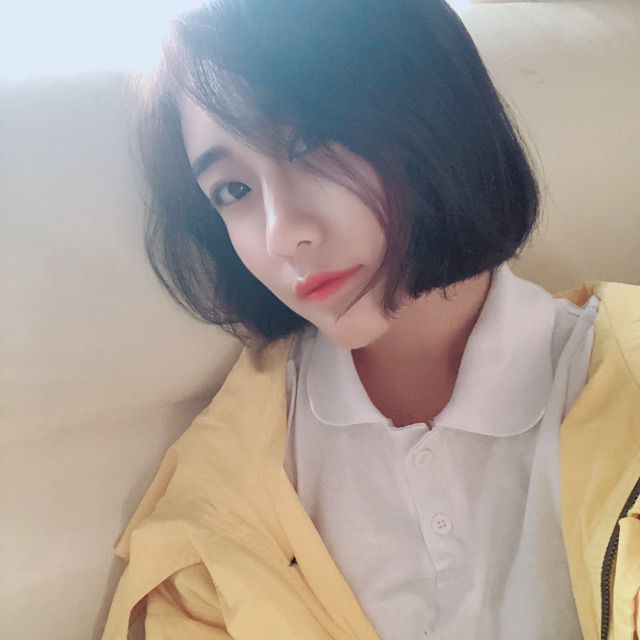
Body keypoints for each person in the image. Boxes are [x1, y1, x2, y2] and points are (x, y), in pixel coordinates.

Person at [101, 1, 640, 639]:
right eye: (234, 190)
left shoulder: (615, 377)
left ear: (435, 114)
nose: (281, 233)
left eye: (310, 143)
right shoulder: (215, 501)